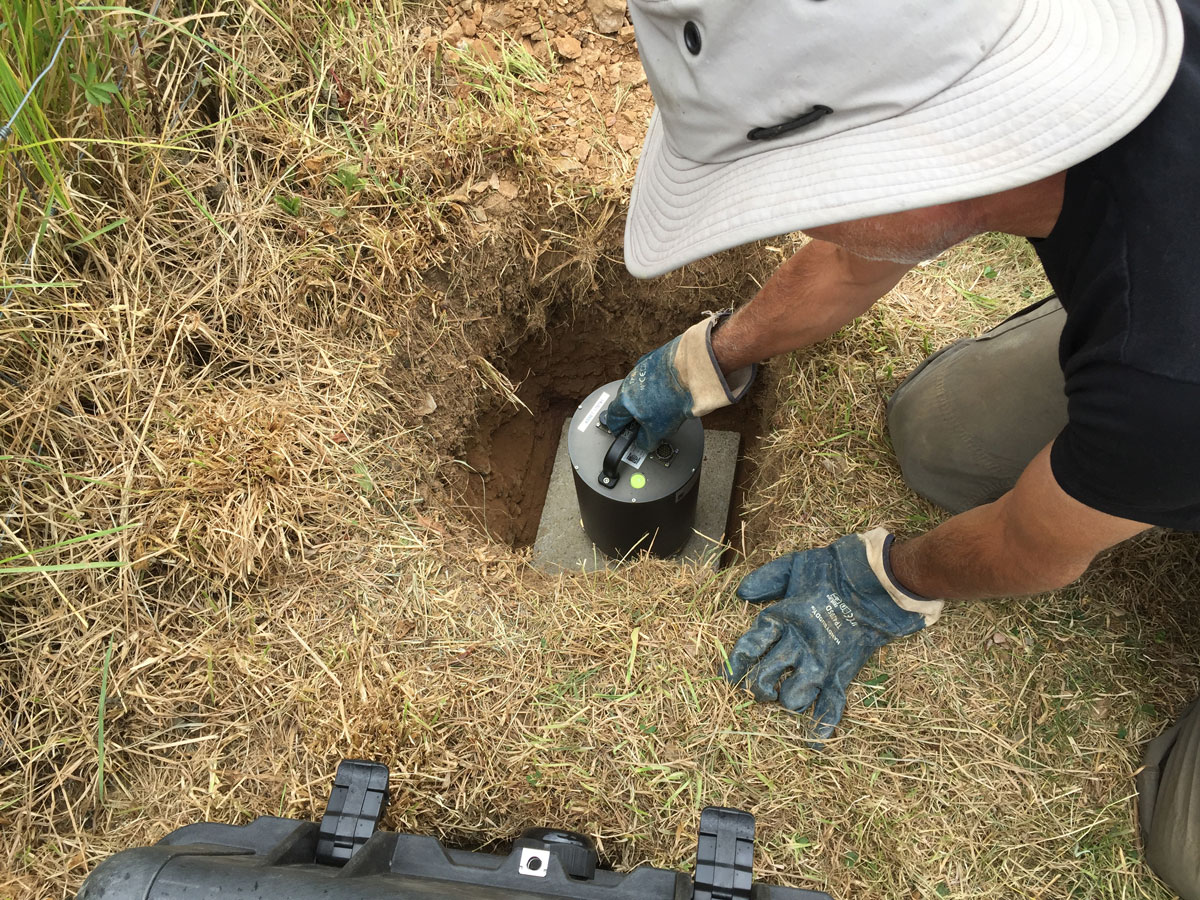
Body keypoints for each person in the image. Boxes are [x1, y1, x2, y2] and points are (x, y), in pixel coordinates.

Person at [604, 0, 1200, 896]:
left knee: (1184, 847)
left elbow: (1034, 548)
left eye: (813, 195)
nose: (802, 220)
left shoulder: (1164, 371)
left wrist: (883, 582)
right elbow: (858, 254)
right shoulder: (1059, 76)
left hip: (1177, 381)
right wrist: (706, 360)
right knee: (937, 438)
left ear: (934, 152)